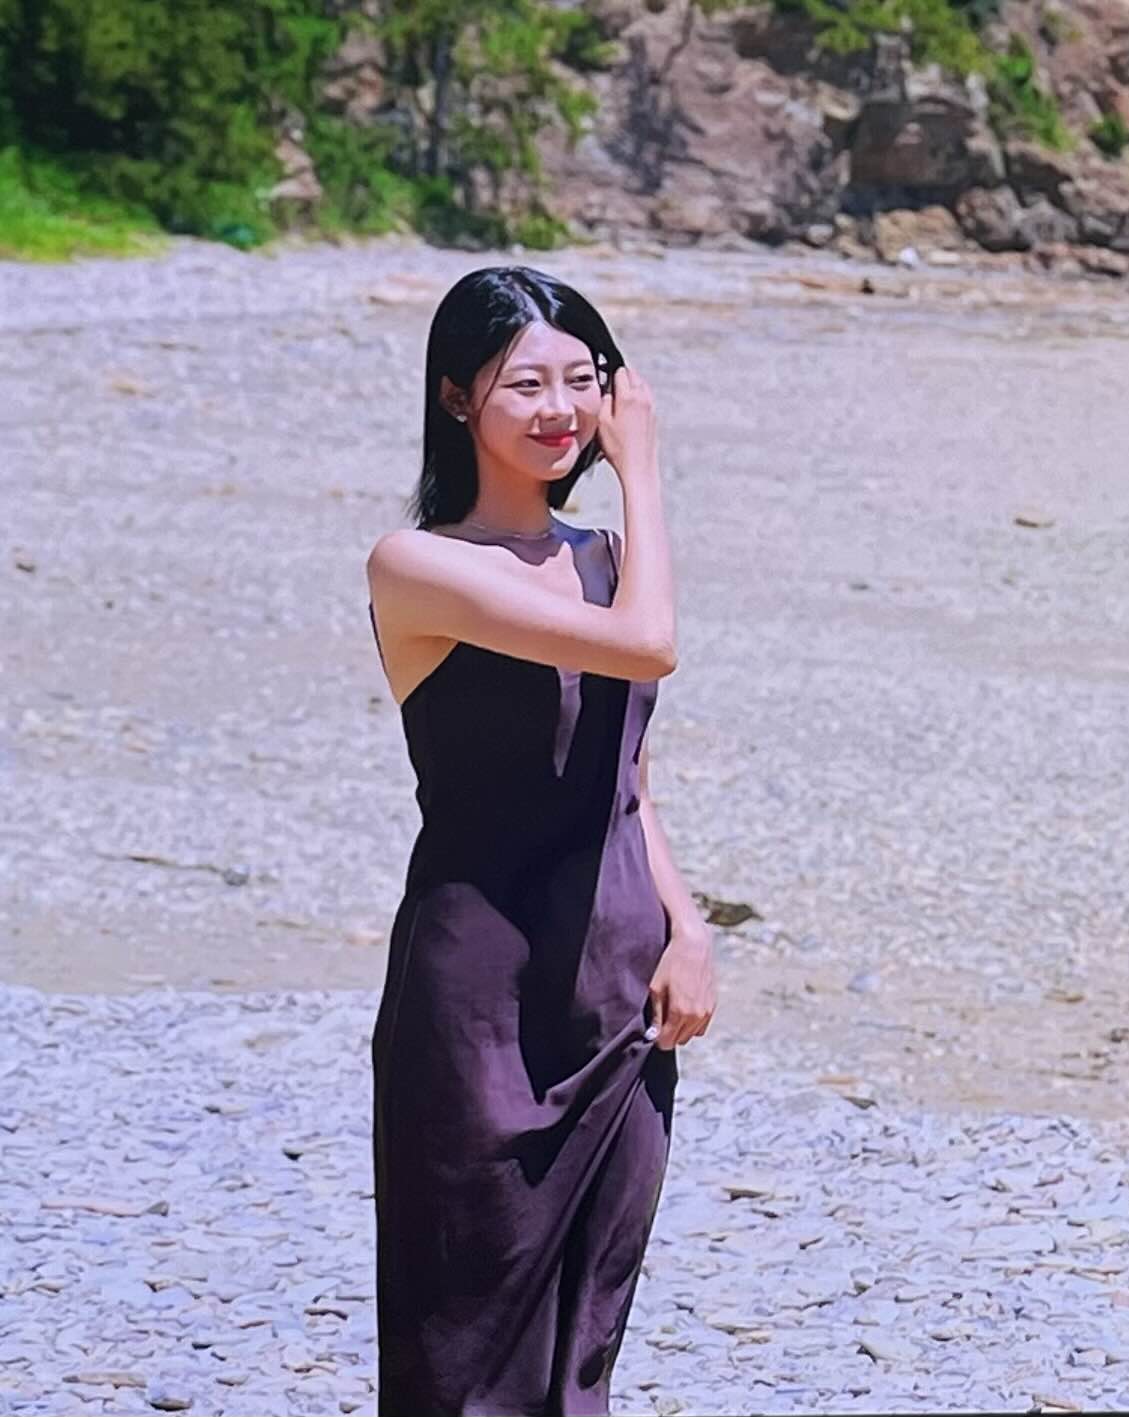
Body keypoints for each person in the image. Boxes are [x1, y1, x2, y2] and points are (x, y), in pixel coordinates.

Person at [363, 266, 717, 1415]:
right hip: (481, 994)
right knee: (466, 1339)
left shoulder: (606, 556)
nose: (561, 409)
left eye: (582, 379)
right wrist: (645, 470)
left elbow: (629, 777)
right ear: (457, 396)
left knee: (586, 1339)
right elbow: (649, 645)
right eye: (525, 384)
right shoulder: (418, 566)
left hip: (616, 982)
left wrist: (686, 925)